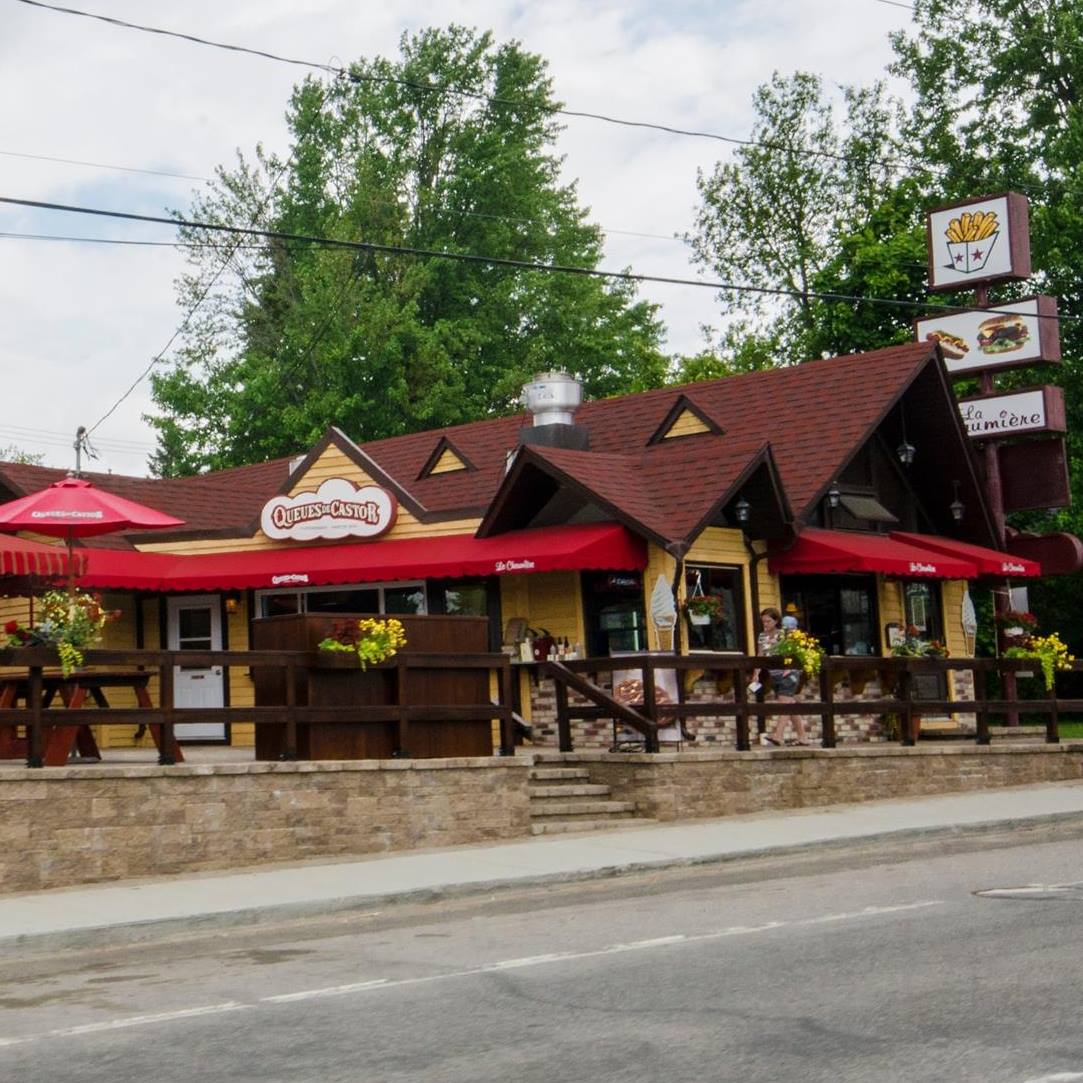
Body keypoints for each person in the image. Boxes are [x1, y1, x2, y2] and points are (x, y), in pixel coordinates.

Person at [755, 609, 810, 747]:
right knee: (790, 705)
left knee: (784, 704)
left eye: (768, 621)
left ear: (776, 621)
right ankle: (803, 737)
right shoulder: (762, 636)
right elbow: (760, 654)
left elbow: (791, 653)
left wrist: (788, 668)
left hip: (789, 674)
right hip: (774, 675)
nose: (765, 624)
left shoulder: (783, 635)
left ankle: (777, 736)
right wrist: (756, 673)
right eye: (763, 621)